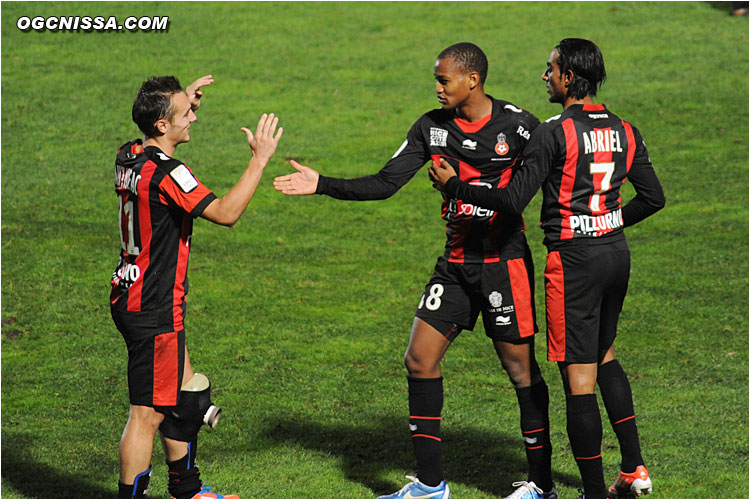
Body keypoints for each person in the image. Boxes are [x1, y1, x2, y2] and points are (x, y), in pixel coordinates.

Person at [274, 43, 555, 500]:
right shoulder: (431, 127)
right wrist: (322, 184)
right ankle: (430, 486)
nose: (438, 88)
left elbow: (529, 193)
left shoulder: (521, 127)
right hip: (456, 265)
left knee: (520, 372)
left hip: (504, 266)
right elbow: (386, 183)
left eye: (444, 80)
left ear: (472, 80)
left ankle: (542, 486)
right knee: (420, 359)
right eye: (437, 80)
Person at [429, 38, 665, 499]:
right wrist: (608, 219)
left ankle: (594, 493)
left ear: (569, 78)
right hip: (616, 255)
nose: (545, 76)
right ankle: (634, 468)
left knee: (578, 376)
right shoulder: (625, 129)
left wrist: (457, 186)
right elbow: (654, 198)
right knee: (604, 353)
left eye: (551, 69)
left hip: (573, 262)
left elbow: (514, 199)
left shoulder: (553, 132)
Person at [110, 75, 283, 499]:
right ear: (163, 125)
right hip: (154, 305)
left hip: (129, 292)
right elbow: (225, 213)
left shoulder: (129, 155)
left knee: (189, 394)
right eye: (186, 113)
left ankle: (189, 491)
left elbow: (159, 132)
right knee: (147, 415)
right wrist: (259, 160)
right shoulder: (172, 174)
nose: (194, 117)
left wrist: (180, 102)